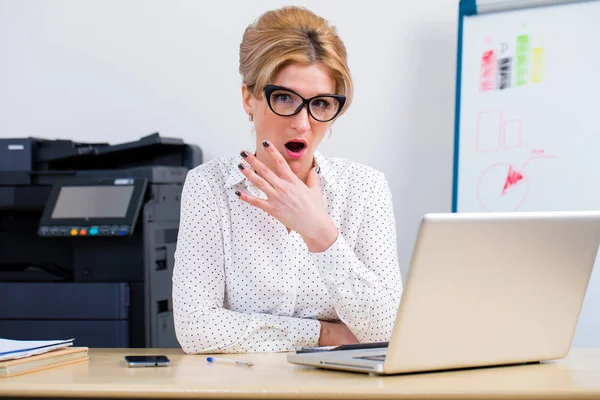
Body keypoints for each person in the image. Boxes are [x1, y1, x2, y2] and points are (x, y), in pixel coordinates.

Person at [172, 5, 403, 354]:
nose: (302, 123)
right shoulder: (209, 187)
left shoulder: (364, 188)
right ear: (249, 98)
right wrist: (325, 334)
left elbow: (388, 329)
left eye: (321, 103)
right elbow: (195, 328)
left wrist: (319, 232)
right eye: (284, 98)